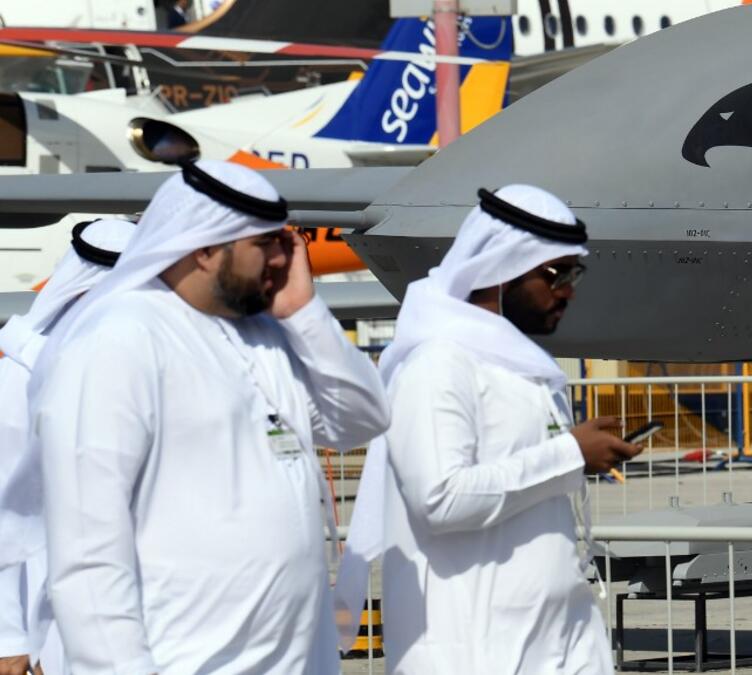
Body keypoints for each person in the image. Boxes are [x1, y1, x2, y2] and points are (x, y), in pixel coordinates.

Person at [29, 160, 390, 674]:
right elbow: (88, 552)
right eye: (265, 245)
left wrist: (307, 315)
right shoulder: (121, 341)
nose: (284, 257)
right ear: (204, 248)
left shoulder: (266, 334)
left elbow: (362, 419)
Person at [338, 184, 640, 674]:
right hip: (470, 650)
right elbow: (439, 498)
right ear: (500, 268)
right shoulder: (439, 365)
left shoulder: (526, 369)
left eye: (573, 273)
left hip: (554, 643)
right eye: (555, 273)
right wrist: (569, 455)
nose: (567, 290)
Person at [0, 219, 137, 675]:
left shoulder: (144, 370)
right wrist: (10, 637)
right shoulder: (18, 377)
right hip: (55, 614)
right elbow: (4, 513)